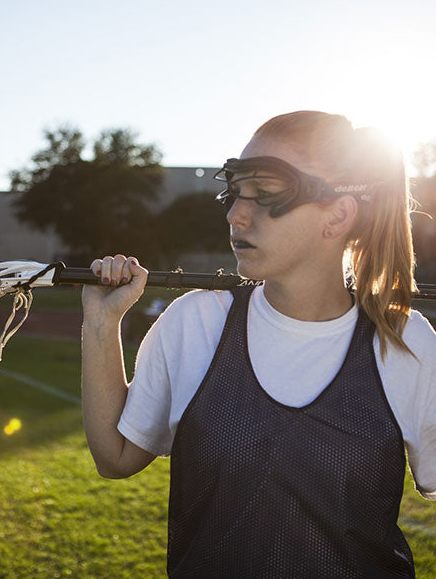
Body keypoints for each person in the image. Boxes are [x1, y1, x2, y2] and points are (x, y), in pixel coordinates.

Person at [80, 111, 436, 578]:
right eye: (235, 191)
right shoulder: (195, 321)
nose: (235, 214)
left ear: (338, 216)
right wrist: (102, 323)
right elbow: (116, 457)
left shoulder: (406, 341)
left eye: (265, 194)